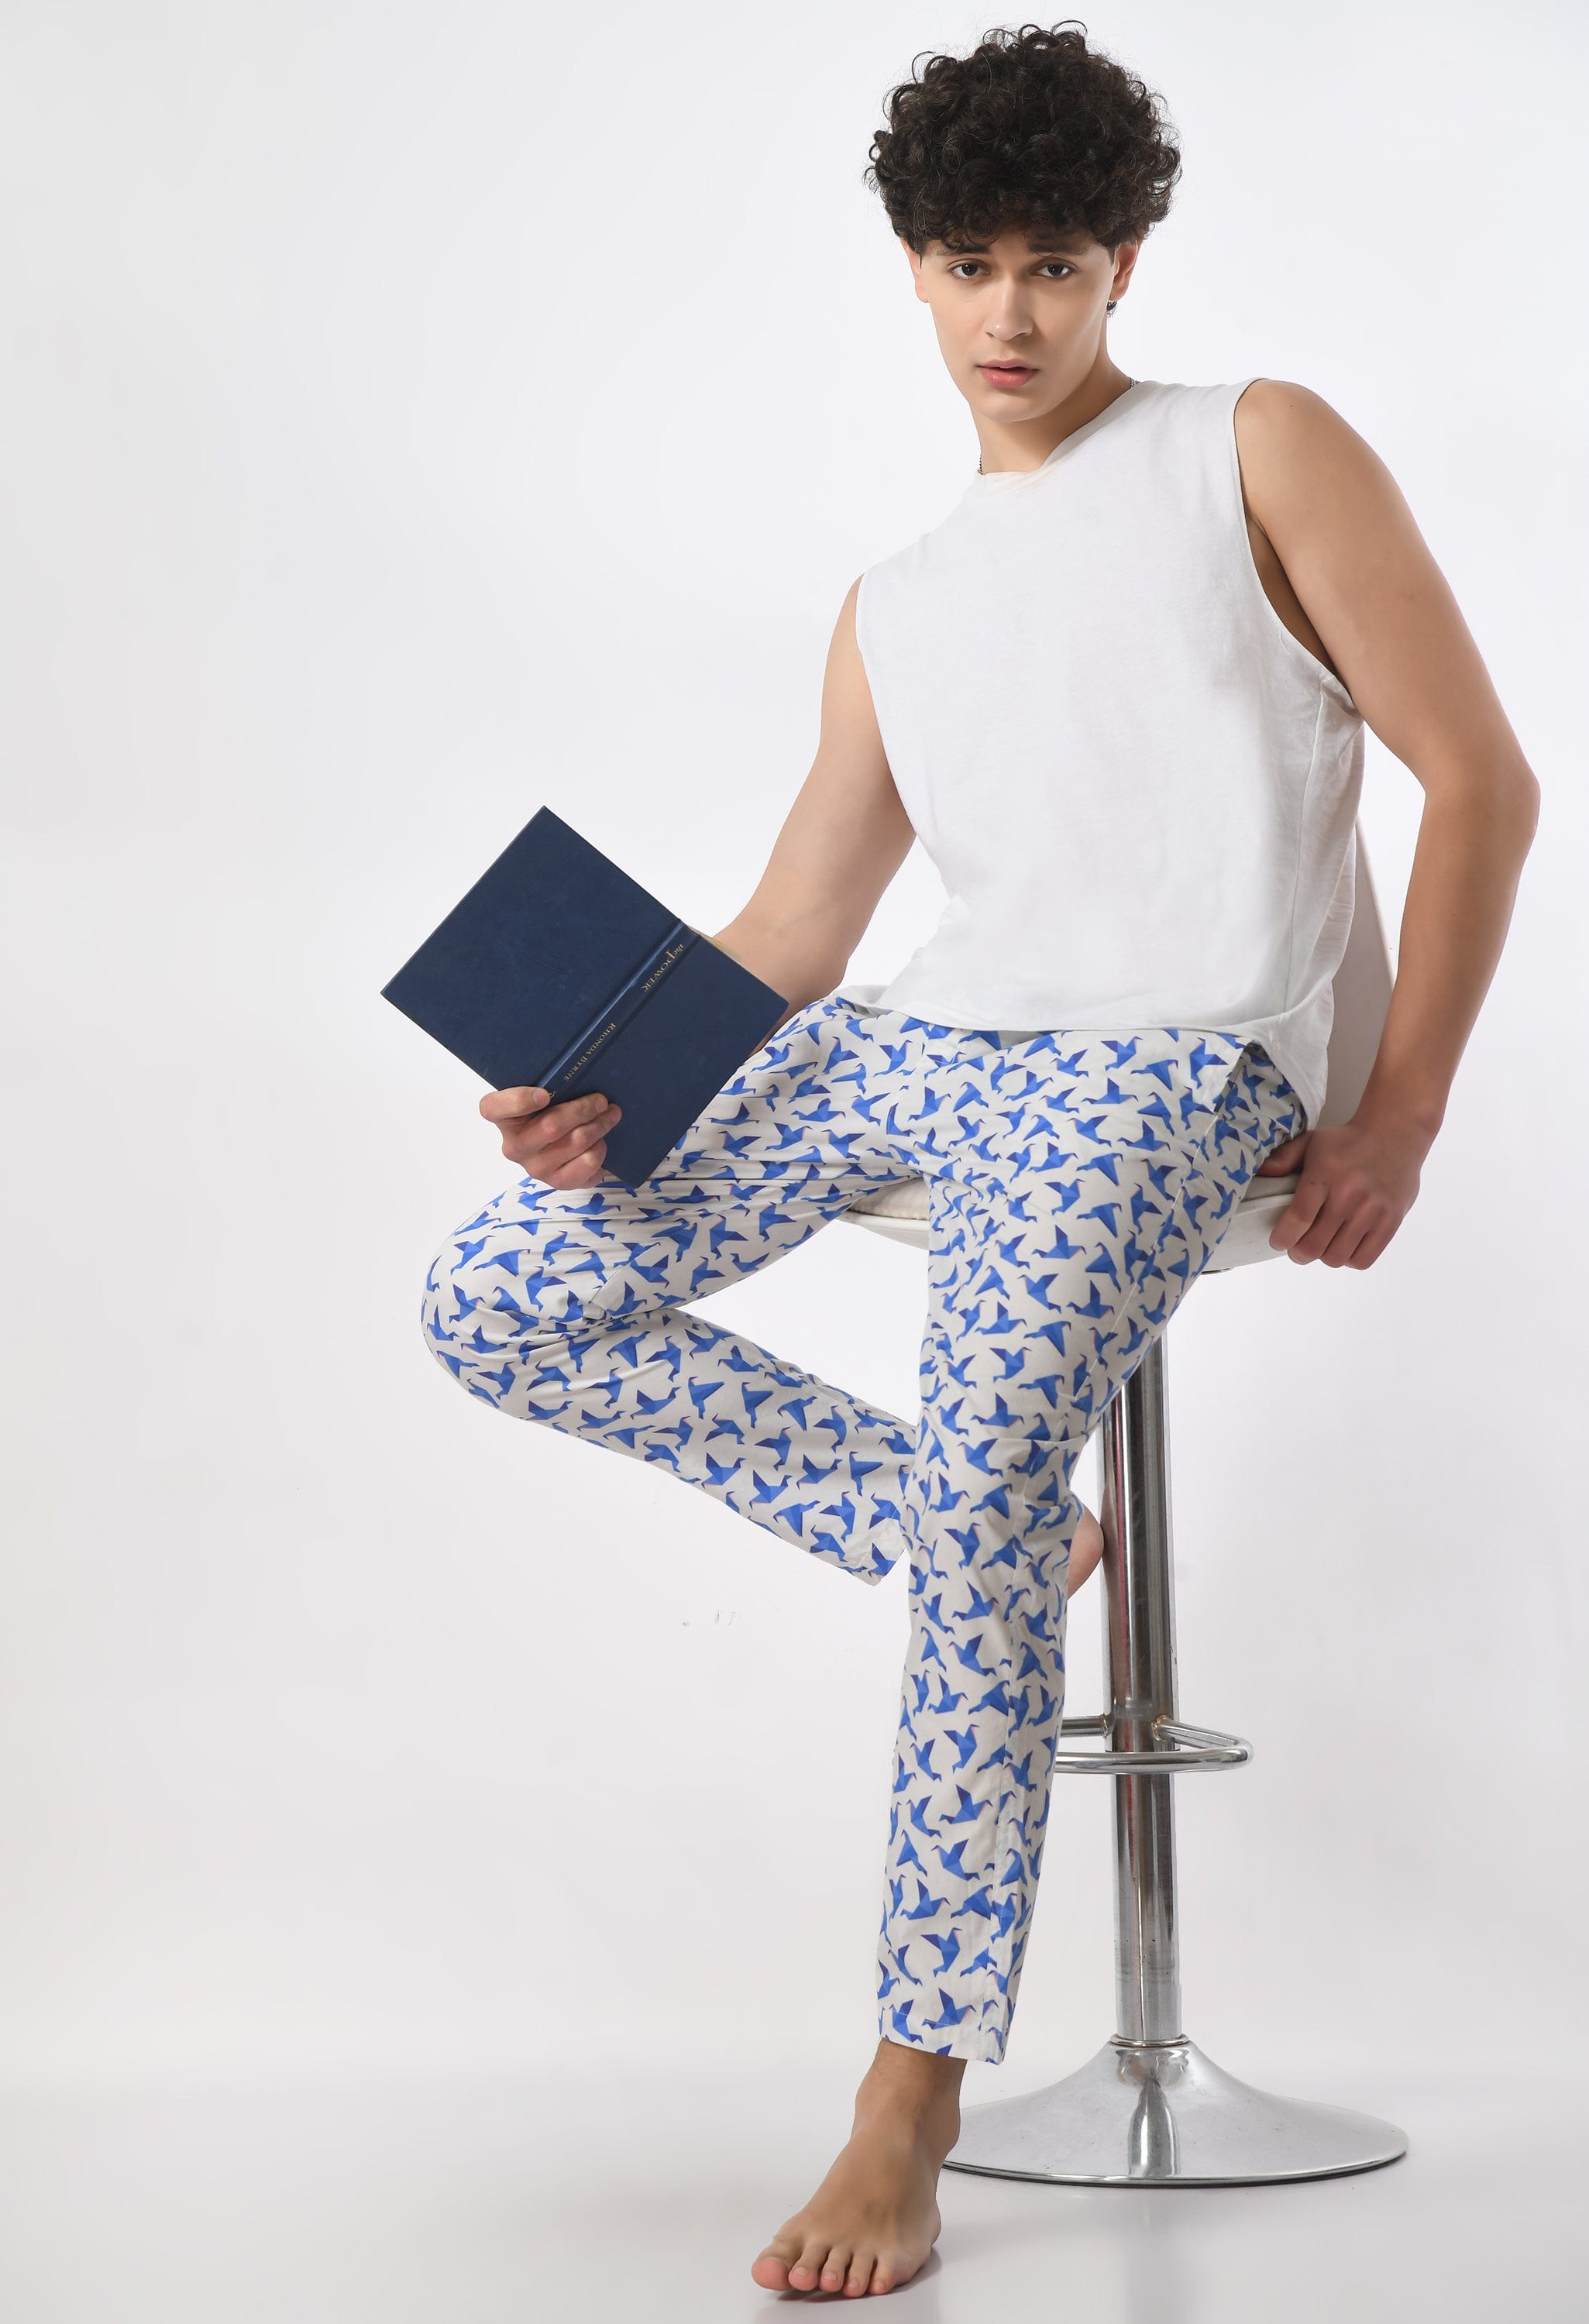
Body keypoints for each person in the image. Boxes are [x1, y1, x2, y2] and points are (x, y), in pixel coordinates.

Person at [418, 19, 1539, 2302]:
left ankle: (906, 2094)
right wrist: (590, 1085)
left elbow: (1481, 780)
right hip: (927, 1040)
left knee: (983, 1433)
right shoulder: (899, 600)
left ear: (1124, 264)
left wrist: (1399, 1112)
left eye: (1053, 261)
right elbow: (794, 933)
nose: (1009, 311)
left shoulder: (1254, 445)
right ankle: (985, 1525)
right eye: (966, 263)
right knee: (498, 1291)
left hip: (1168, 1061)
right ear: (914, 275)